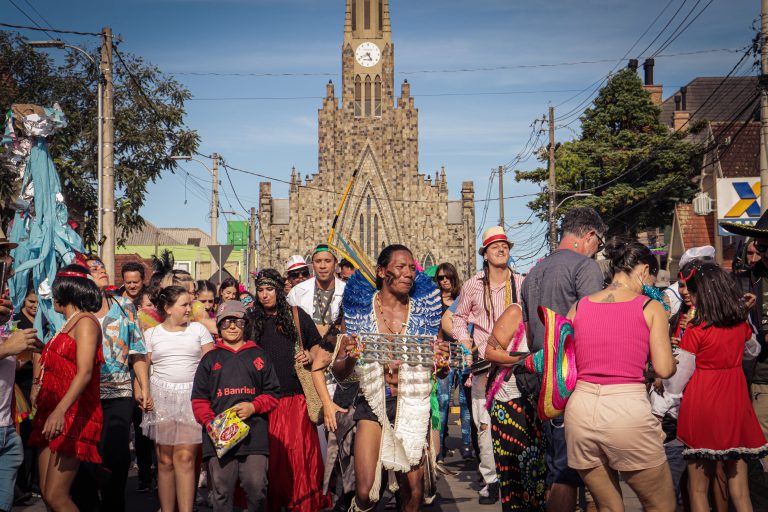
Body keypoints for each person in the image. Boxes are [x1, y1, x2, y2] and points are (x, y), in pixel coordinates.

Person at [560, 239, 677, 511]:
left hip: (580, 409)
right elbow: (663, 368)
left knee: (608, 507)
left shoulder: (580, 306)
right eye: (650, 275)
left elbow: (564, 358)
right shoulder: (649, 306)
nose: (649, 281)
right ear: (643, 269)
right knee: (662, 505)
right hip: (626, 409)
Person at [335, 244, 449, 512]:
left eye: (411, 268)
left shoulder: (425, 313)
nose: (408, 273)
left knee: (414, 492)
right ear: (382, 271)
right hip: (373, 405)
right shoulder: (361, 312)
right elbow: (340, 372)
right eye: (400, 267)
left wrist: (441, 363)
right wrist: (351, 356)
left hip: (411, 406)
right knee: (365, 492)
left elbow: (439, 368)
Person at [519, 207, 606, 511]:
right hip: (577, 381)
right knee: (575, 471)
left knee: (557, 466)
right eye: (599, 243)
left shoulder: (532, 275)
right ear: (589, 235)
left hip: (543, 383)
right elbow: (593, 325)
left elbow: (530, 334)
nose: (597, 250)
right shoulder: (586, 268)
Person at [675, 261, 768, 511]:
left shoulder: (697, 330)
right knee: (740, 488)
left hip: (703, 403)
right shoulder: (740, 325)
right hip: (735, 403)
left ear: (701, 294)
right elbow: (754, 351)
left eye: (691, 291)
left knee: (698, 488)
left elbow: (679, 377)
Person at [65, 254, 150, 511]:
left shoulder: (125, 306)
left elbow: (137, 351)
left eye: (102, 266)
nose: (101, 270)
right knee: (85, 457)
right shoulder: (75, 311)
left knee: (117, 456)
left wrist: (143, 386)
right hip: (83, 393)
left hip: (119, 393)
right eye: (94, 268)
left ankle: (114, 505)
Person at [246, 269, 332, 512]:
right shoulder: (251, 320)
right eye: (260, 290)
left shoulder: (296, 315)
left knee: (297, 453)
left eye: (269, 289)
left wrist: (310, 354)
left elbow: (319, 347)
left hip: (295, 397)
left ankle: (302, 503)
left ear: (278, 291)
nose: (264, 295)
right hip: (264, 399)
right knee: (271, 457)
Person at [452, 226, 523, 505]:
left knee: (515, 422)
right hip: (483, 366)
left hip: (514, 365)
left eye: (504, 245)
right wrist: (465, 340)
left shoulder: (521, 282)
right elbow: (458, 318)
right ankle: (491, 481)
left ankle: (513, 476)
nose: (501, 248)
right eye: (495, 245)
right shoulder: (471, 285)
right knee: (484, 424)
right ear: (485, 253)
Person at [191, 300, 281, 512]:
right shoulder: (210, 359)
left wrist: (254, 407)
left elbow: (273, 393)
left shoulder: (259, 355)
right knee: (221, 493)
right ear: (219, 326)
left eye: (238, 321)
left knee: (257, 487)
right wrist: (213, 423)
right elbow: (198, 400)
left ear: (245, 324)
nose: (232, 326)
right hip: (219, 440)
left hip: (254, 437)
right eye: (226, 322)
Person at [29, 264, 104, 511]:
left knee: (56, 496)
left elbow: (85, 372)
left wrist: (60, 411)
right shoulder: (68, 322)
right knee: (46, 491)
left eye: (54, 291)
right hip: (52, 411)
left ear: (66, 290)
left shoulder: (85, 322)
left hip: (71, 413)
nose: (51, 297)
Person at [141, 285, 214, 512]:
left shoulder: (199, 330)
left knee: (185, 458)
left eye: (189, 304)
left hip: (191, 398)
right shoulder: (151, 334)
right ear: (168, 308)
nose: (189, 309)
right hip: (161, 398)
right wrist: (142, 391)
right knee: (164, 460)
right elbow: (143, 365)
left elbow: (213, 366)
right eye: (184, 305)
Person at [720, 211, 768, 508]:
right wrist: (742, 312)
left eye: (765, 248)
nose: (760, 255)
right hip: (762, 380)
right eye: (759, 247)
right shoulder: (747, 281)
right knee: (760, 460)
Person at [486, 300, 546, 511]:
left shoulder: (553, 316)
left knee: (537, 475)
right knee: (515, 478)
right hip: (509, 405)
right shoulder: (516, 311)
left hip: (538, 404)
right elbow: (490, 352)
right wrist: (527, 360)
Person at [433, 262, 463, 463]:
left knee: (464, 401)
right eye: (441, 278)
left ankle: (468, 446)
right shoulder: (434, 301)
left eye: (448, 277)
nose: (444, 281)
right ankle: (440, 447)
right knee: (443, 399)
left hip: (462, 351)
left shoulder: (462, 299)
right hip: (443, 352)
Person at [13, 288, 39, 500]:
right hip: (20, 383)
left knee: (35, 434)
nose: (34, 305)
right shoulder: (15, 320)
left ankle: (34, 482)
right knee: (23, 433)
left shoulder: (45, 318)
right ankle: (22, 484)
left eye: (38, 302)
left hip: (37, 381)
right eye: (31, 301)